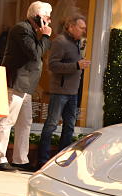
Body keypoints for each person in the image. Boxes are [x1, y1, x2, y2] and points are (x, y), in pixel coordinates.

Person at [0, 1, 52, 172]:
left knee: (25, 123)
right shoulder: (22, 29)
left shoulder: (33, 31)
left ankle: (20, 159)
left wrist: (43, 36)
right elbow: (35, 54)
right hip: (17, 81)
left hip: (27, 85)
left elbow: (39, 52)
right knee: (7, 120)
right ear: (38, 17)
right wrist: (45, 36)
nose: (50, 21)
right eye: (47, 16)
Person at [36, 14, 89, 168]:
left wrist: (78, 65)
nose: (83, 31)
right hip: (60, 91)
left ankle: (60, 163)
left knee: (69, 127)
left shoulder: (77, 42)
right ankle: (42, 161)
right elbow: (52, 66)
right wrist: (76, 66)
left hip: (72, 92)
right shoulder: (60, 41)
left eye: (84, 29)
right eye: (81, 28)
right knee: (51, 125)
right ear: (70, 27)